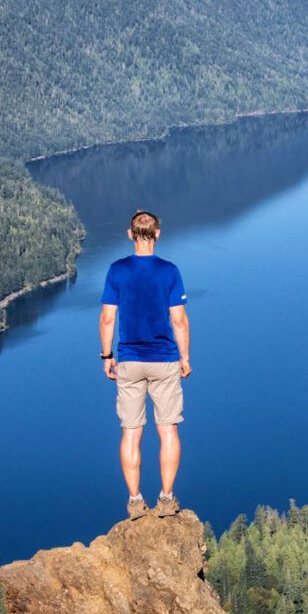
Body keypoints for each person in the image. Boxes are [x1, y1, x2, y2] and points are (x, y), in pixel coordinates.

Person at [98, 210, 191, 519]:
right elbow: (178, 320)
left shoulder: (117, 271)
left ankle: (136, 502)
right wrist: (185, 357)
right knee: (168, 431)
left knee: (131, 432)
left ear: (130, 234)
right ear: (158, 234)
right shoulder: (169, 271)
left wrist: (106, 356)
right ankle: (166, 499)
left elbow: (108, 317)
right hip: (164, 360)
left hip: (129, 361)